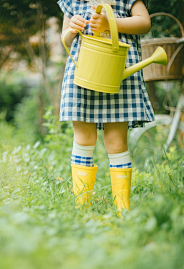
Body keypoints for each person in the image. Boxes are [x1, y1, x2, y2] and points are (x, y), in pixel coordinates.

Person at [57, 0, 154, 211]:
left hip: (118, 74)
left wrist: (111, 22)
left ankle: (122, 208)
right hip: (83, 73)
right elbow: (64, 37)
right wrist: (72, 29)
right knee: (83, 138)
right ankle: (82, 207)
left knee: (116, 140)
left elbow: (144, 22)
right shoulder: (73, 1)